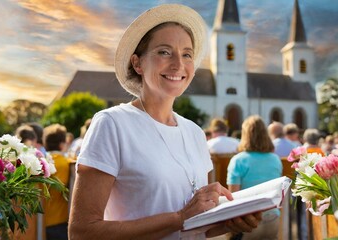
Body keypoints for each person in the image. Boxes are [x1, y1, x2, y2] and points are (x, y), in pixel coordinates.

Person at [68, 4, 261, 240]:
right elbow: (82, 232)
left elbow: (197, 226)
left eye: (187, 54)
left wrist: (231, 223)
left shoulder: (195, 133)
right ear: (138, 63)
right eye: (164, 51)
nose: (178, 63)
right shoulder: (112, 124)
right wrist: (179, 217)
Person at [227, 115, 282, 240]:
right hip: (273, 218)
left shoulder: (238, 160)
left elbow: (232, 197)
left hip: (247, 221)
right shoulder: (275, 159)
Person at [42, 124, 71, 240]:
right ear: (62, 144)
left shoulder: (40, 162)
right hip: (60, 221)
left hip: (40, 221)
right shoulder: (66, 163)